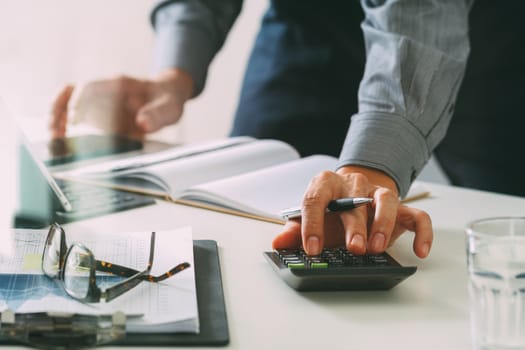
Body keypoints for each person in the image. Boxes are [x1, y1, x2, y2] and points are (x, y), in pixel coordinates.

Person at [51, 0, 485, 259]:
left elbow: (420, 15)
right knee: (252, 234)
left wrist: (374, 164)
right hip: (306, 28)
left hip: (472, 41)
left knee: (499, 232)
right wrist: (173, 74)